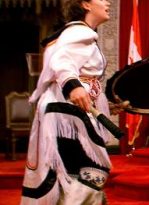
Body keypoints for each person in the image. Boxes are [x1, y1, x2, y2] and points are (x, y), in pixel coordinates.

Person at [20, 0, 124, 204]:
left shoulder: (70, 33)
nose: (108, 2)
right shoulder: (80, 32)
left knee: (69, 173)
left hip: (63, 112)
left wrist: (106, 106)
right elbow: (63, 62)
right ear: (85, 4)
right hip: (67, 116)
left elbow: (81, 77)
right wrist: (72, 85)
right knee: (85, 172)